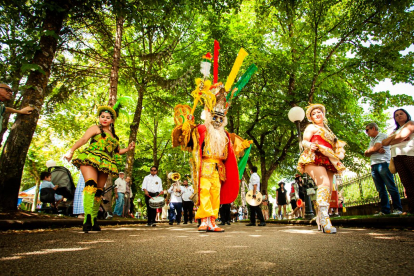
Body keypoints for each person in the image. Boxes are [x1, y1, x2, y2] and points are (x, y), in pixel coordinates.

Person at [171, 47, 253, 232]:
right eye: (214, 117)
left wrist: (244, 145)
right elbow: (187, 141)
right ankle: (203, 220)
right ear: (208, 116)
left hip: (219, 169)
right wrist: (188, 126)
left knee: (215, 192)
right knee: (204, 191)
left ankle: (213, 220)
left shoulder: (224, 134)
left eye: (220, 118)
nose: (217, 120)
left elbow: (232, 150)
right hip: (205, 166)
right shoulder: (201, 129)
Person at [64, 103, 135, 232]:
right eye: (102, 116)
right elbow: (84, 139)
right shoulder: (95, 128)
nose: (105, 119)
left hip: (106, 162)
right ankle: (87, 219)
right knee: (90, 186)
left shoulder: (114, 136)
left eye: (108, 117)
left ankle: (94, 219)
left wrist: (128, 148)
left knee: (99, 191)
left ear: (112, 120)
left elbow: (117, 151)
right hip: (90, 158)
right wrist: (71, 150)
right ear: (99, 118)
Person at [297, 103, 346, 234]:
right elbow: (304, 141)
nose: (317, 114)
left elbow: (337, 147)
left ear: (323, 114)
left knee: (329, 189)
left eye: (319, 112)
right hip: (314, 157)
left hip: (328, 160)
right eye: (313, 114)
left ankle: (320, 218)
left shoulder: (329, 131)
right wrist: (309, 145)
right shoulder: (311, 127)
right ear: (311, 118)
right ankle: (325, 220)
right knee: (323, 183)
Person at [364, 122, 403, 215]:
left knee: (390, 187)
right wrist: (372, 150)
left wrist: (373, 150)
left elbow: (375, 147)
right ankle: (385, 210)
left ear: (373, 128)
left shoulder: (382, 136)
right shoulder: (371, 140)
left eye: (367, 130)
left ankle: (398, 208)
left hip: (383, 163)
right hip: (374, 165)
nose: (366, 132)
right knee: (381, 190)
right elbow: (366, 154)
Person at [382, 108, 414, 214]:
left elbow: (402, 137)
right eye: (396, 115)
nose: (399, 116)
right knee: (407, 184)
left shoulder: (410, 124)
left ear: (406, 115)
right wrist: (396, 138)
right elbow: (384, 142)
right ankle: (412, 209)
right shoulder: (395, 131)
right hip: (397, 157)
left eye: (401, 114)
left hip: (410, 155)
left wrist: (394, 139)